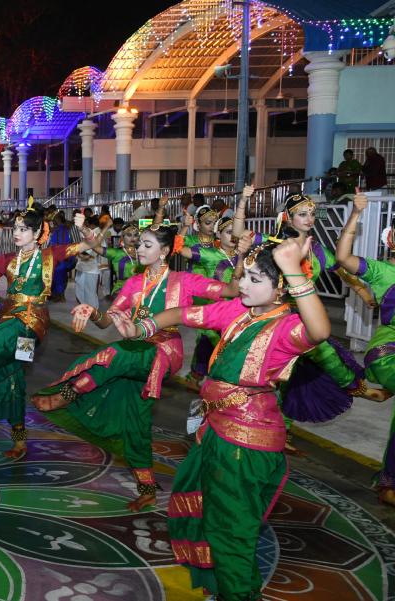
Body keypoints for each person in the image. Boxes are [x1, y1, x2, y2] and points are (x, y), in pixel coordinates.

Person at [112, 237, 329, 601]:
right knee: (210, 515)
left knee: (231, 533)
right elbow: (182, 314)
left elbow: (320, 331)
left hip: (245, 444)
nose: (242, 284)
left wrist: (293, 268)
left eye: (255, 279)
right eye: (244, 276)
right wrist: (142, 329)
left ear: (280, 289)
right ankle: (223, 587)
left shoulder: (286, 328)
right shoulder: (239, 312)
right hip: (217, 430)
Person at [32, 222, 243, 512]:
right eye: (139, 243)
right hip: (135, 352)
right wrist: (91, 311)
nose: (138, 248)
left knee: (114, 353)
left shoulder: (185, 280)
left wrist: (241, 258)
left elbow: (231, 289)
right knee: (137, 422)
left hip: (164, 350)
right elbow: (108, 320)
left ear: (165, 251)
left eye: (146, 244)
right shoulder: (133, 284)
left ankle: (69, 393)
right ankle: (146, 487)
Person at [0, 202, 98, 459]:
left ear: (37, 234)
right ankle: (19, 440)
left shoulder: (51, 255)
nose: (16, 233)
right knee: (14, 379)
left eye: (23, 229)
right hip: (10, 321)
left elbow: (89, 246)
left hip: (31, 326)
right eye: (15, 228)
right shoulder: (7, 260)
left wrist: (85, 230)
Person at [231, 192, 385, 421]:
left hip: (305, 317)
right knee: (278, 372)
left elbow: (342, 268)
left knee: (320, 358)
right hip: (275, 316)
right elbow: (237, 233)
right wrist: (243, 201)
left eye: (312, 214)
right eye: (302, 214)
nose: (309, 218)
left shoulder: (318, 251)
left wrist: (362, 291)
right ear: (288, 218)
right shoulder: (274, 244)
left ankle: (356, 389)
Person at [333, 193, 395, 506]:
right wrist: (356, 214)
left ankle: (390, 480)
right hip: (387, 352)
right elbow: (342, 258)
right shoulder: (384, 272)